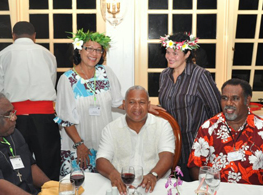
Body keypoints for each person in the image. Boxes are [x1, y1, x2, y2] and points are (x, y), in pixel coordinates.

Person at [55, 29, 163, 176]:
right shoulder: (67, 80)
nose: (94, 54)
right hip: (78, 146)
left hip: (103, 143)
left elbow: (118, 102)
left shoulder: (105, 73)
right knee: (80, 187)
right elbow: (66, 119)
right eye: (89, 49)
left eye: (98, 50)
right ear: (79, 50)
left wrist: (142, 106)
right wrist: (80, 145)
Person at [0, 21, 60, 180]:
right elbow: (51, 83)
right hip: (45, 116)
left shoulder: (1, 56)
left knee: (16, 162)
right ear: (34, 36)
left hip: (13, 118)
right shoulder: (48, 55)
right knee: (49, 162)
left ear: (13, 36)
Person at [158, 32, 221, 181]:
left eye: (175, 53)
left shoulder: (200, 75)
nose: (170, 57)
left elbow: (216, 110)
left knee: (195, 185)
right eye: (168, 52)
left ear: (187, 54)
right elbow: (166, 106)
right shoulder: (164, 75)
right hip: (172, 143)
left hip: (195, 145)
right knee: (174, 184)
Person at [96, 85, 175, 194]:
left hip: (154, 186)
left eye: (142, 102)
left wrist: (154, 175)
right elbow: (101, 159)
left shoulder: (163, 126)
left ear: (148, 105)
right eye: (132, 102)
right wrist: (113, 174)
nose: (137, 107)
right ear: (124, 104)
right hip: (121, 185)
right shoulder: (110, 129)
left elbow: (167, 156)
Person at [188, 78, 263, 185]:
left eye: (235, 98)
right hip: (216, 190)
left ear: (247, 100)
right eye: (224, 98)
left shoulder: (261, 129)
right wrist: (208, 189)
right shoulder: (208, 127)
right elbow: (194, 166)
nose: (228, 103)